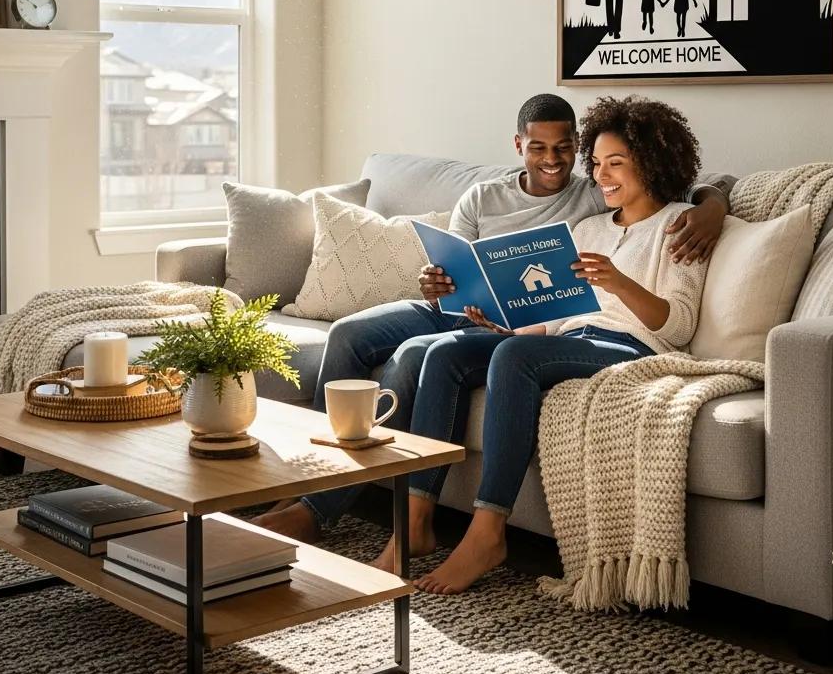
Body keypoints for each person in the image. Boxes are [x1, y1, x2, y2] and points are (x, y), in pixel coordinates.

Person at [252, 94, 732, 543]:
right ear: (518, 145)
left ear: (576, 147)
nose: (554, 160)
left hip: (526, 327)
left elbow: (688, 187)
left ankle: (353, 510)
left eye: (566, 148)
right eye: (539, 147)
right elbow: (455, 270)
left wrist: (713, 207)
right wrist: (436, 285)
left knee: (419, 355)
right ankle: (305, 480)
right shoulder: (492, 199)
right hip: (459, 312)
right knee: (346, 333)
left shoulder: (598, 196)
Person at [369, 96, 711, 594]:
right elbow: (560, 316)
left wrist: (619, 283)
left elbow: (677, 327)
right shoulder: (588, 227)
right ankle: (415, 522)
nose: (601, 176)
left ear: (650, 163)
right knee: (445, 355)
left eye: (616, 163)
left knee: (515, 358)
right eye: (597, 163)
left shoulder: (679, 226)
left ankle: (487, 533)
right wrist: (505, 323)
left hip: (635, 346)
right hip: (571, 339)